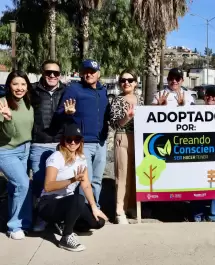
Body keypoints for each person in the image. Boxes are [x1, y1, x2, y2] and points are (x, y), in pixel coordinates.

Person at [37, 123, 107, 252]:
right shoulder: (56, 157)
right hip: (49, 204)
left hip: (68, 203)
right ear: (63, 140)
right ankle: (66, 237)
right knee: (78, 199)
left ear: (81, 141)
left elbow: (85, 185)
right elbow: (48, 186)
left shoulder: (81, 158)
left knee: (98, 222)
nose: (73, 143)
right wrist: (72, 180)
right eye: (69, 139)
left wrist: (94, 207)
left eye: (77, 139)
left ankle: (64, 223)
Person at [57, 59, 109, 208]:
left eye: (92, 72)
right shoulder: (74, 89)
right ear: (81, 73)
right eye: (85, 71)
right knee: (85, 179)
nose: (89, 74)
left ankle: (95, 209)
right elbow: (60, 112)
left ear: (98, 74)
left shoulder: (103, 91)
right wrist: (67, 113)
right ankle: (83, 212)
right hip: (83, 143)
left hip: (101, 142)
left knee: (97, 180)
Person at [29, 60, 67, 232]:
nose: (52, 75)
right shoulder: (32, 90)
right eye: (48, 72)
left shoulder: (66, 90)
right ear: (42, 73)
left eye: (56, 73)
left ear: (60, 74)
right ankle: (41, 218)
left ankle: (59, 218)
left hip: (61, 144)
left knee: (61, 184)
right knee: (39, 183)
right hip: (39, 143)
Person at [0, 71, 34, 240]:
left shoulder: (28, 103)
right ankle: (14, 226)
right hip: (6, 151)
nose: (19, 88)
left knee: (16, 188)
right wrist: (7, 118)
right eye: (15, 84)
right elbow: (8, 134)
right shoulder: (2, 103)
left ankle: (25, 223)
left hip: (25, 149)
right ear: (9, 86)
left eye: (23, 84)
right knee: (23, 184)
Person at [110, 69, 143, 224]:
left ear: (135, 83)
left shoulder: (140, 99)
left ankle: (131, 206)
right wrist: (127, 117)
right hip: (123, 137)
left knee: (135, 175)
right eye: (123, 80)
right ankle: (119, 210)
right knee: (122, 175)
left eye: (130, 80)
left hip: (139, 139)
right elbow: (115, 123)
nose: (126, 83)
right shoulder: (117, 100)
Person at [191, 86, 215, 222]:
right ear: (204, 96)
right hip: (199, 151)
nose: (211, 97)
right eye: (208, 95)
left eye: (214, 95)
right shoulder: (195, 110)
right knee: (198, 181)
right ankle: (197, 214)